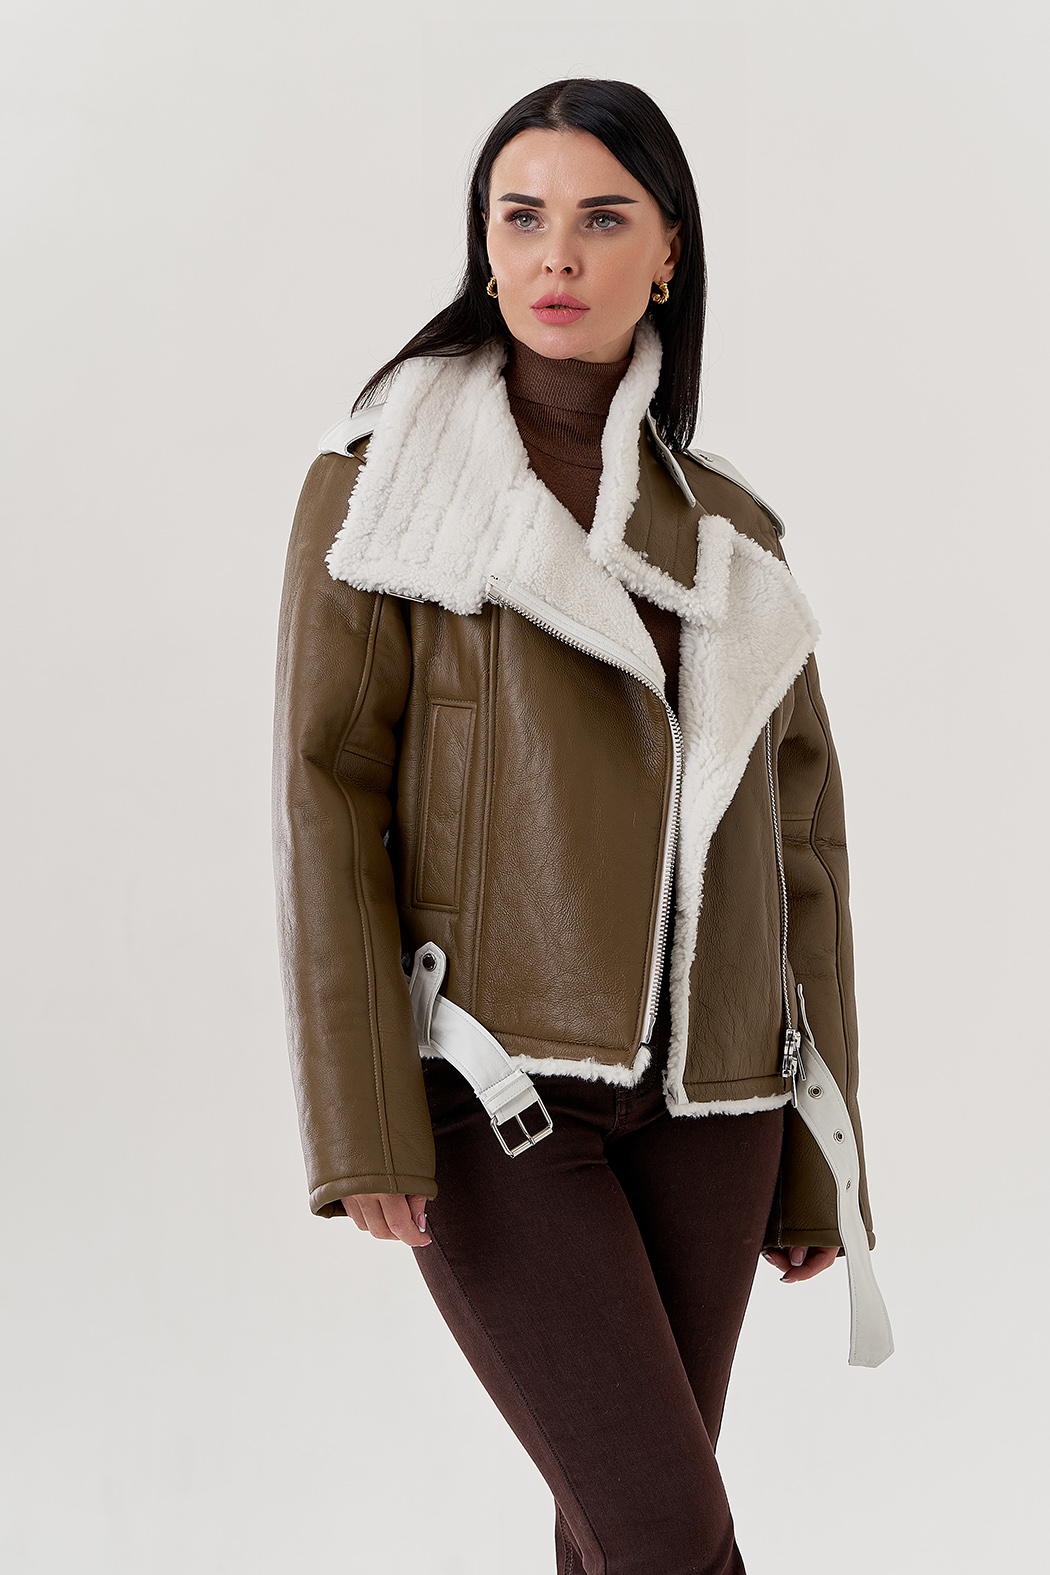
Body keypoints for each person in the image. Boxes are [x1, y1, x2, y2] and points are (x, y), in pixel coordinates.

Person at [272, 77, 889, 1575]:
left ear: (666, 253)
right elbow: (327, 798)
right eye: (522, 216)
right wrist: (360, 1118)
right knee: (669, 1536)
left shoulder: (733, 531)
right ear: (483, 247)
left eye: (603, 218)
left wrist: (827, 1157)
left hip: (718, 1107)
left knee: (617, 1536)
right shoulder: (384, 498)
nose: (557, 253)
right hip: (492, 1096)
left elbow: (800, 846)